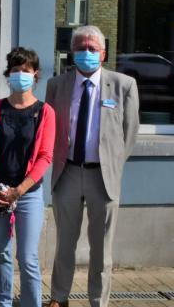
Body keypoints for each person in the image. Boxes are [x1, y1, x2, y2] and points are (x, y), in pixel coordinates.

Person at [45, 25, 139, 307]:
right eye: (81, 48)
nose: (86, 53)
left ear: (103, 53)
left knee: (101, 249)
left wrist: (111, 165)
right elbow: (49, 130)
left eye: (92, 48)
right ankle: (59, 298)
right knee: (64, 244)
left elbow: (129, 133)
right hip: (68, 173)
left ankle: (98, 301)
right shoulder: (56, 85)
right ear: (71, 52)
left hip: (103, 177)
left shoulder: (123, 85)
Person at [0, 47, 55, 307]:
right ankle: (4, 302)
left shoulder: (45, 112)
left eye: (26, 70)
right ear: (8, 74)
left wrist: (19, 190)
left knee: (28, 258)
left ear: (35, 74)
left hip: (28, 194)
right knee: (1, 252)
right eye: (15, 70)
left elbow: (45, 157)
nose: (20, 74)